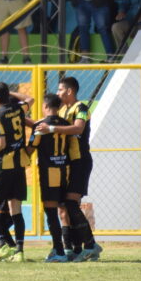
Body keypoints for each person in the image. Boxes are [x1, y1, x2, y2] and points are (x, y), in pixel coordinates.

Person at [0, 81, 33, 263]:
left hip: (4, 165)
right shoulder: (18, 109)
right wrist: (8, 92)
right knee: (16, 210)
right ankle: (19, 251)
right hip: (19, 165)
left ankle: (2, 245)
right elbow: (30, 99)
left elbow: (0, 144)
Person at [52, 76, 102, 262]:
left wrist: (52, 129)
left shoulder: (81, 108)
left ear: (69, 91)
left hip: (80, 161)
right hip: (68, 163)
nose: (58, 93)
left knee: (71, 204)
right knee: (65, 206)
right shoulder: (64, 110)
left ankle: (91, 245)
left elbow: (78, 129)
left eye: (60, 90)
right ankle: (76, 248)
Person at [28, 93, 77, 263]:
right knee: (63, 209)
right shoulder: (66, 124)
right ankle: (68, 247)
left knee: (51, 212)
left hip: (49, 173)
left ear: (46, 106)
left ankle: (59, 251)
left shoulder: (40, 127)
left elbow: (30, 149)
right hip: (65, 171)